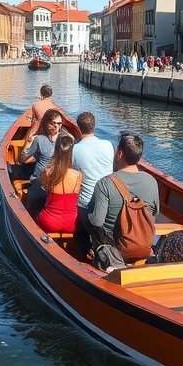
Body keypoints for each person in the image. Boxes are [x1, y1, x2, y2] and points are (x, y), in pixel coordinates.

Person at [86, 133, 159, 264]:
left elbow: (97, 222)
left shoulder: (104, 183)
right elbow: (154, 213)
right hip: (142, 246)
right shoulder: (152, 181)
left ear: (119, 153)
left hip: (114, 252)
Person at [71, 112, 115, 255]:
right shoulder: (108, 145)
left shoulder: (74, 150)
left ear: (78, 128)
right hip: (109, 204)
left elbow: (70, 175)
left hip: (86, 207)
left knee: (78, 234)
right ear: (94, 127)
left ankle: (85, 253)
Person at [20, 108, 66, 213]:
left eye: (59, 124)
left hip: (52, 182)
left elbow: (21, 160)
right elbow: (22, 159)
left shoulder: (65, 140)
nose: (56, 126)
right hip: (41, 181)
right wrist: (28, 142)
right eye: (53, 123)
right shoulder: (39, 139)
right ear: (46, 123)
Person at [37, 135, 83, 233]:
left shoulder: (47, 172)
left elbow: (44, 189)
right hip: (72, 223)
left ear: (56, 150)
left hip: (49, 222)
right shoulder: (78, 175)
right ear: (71, 152)